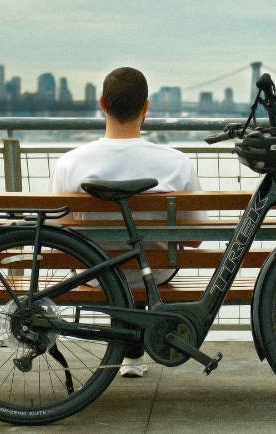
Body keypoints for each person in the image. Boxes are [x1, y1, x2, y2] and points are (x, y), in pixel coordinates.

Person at [48, 67, 203, 377]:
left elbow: (58, 231)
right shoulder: (177, 162)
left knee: (108, 264)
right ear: (146, 107)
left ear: (102, 104)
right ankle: (133, 352)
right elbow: (194, 237)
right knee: (143, 262)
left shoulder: (70, 162)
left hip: (94, 272)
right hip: (156, 272)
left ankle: (128, 349)